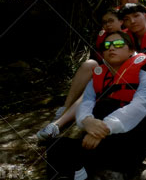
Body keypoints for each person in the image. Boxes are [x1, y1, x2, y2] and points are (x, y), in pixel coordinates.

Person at [39, 31, 146, 180]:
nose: (112, 48)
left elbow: (138, 108)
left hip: (131, 142)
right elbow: (85, 104)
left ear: (131, 50)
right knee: (55, 145)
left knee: (108, 105)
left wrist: (103, 129)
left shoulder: (145, 76)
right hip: (103, 141)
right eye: (107, 46)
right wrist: (87, 122)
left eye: (118, 44)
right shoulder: (97, 78)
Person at [37, 8, 128, 140]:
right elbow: (97, 60)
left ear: (120, 21)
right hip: (102, 74)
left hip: (119, 78)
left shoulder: (128, 36)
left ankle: (57, 125)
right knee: (89, 64)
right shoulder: (102, 37)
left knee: (91, 88)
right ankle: (64, 109)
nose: (107, 25)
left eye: (110, 21)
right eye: (104, 22)